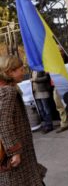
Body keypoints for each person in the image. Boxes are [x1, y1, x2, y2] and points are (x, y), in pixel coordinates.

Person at [0, 55, 47, 185]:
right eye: (20, 69)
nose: (23, 72)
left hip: (19, 151)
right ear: (10, 72)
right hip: (16, 154)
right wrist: (14, 152)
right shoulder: (7, 91)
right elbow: (3, 124)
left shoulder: (7, 88)